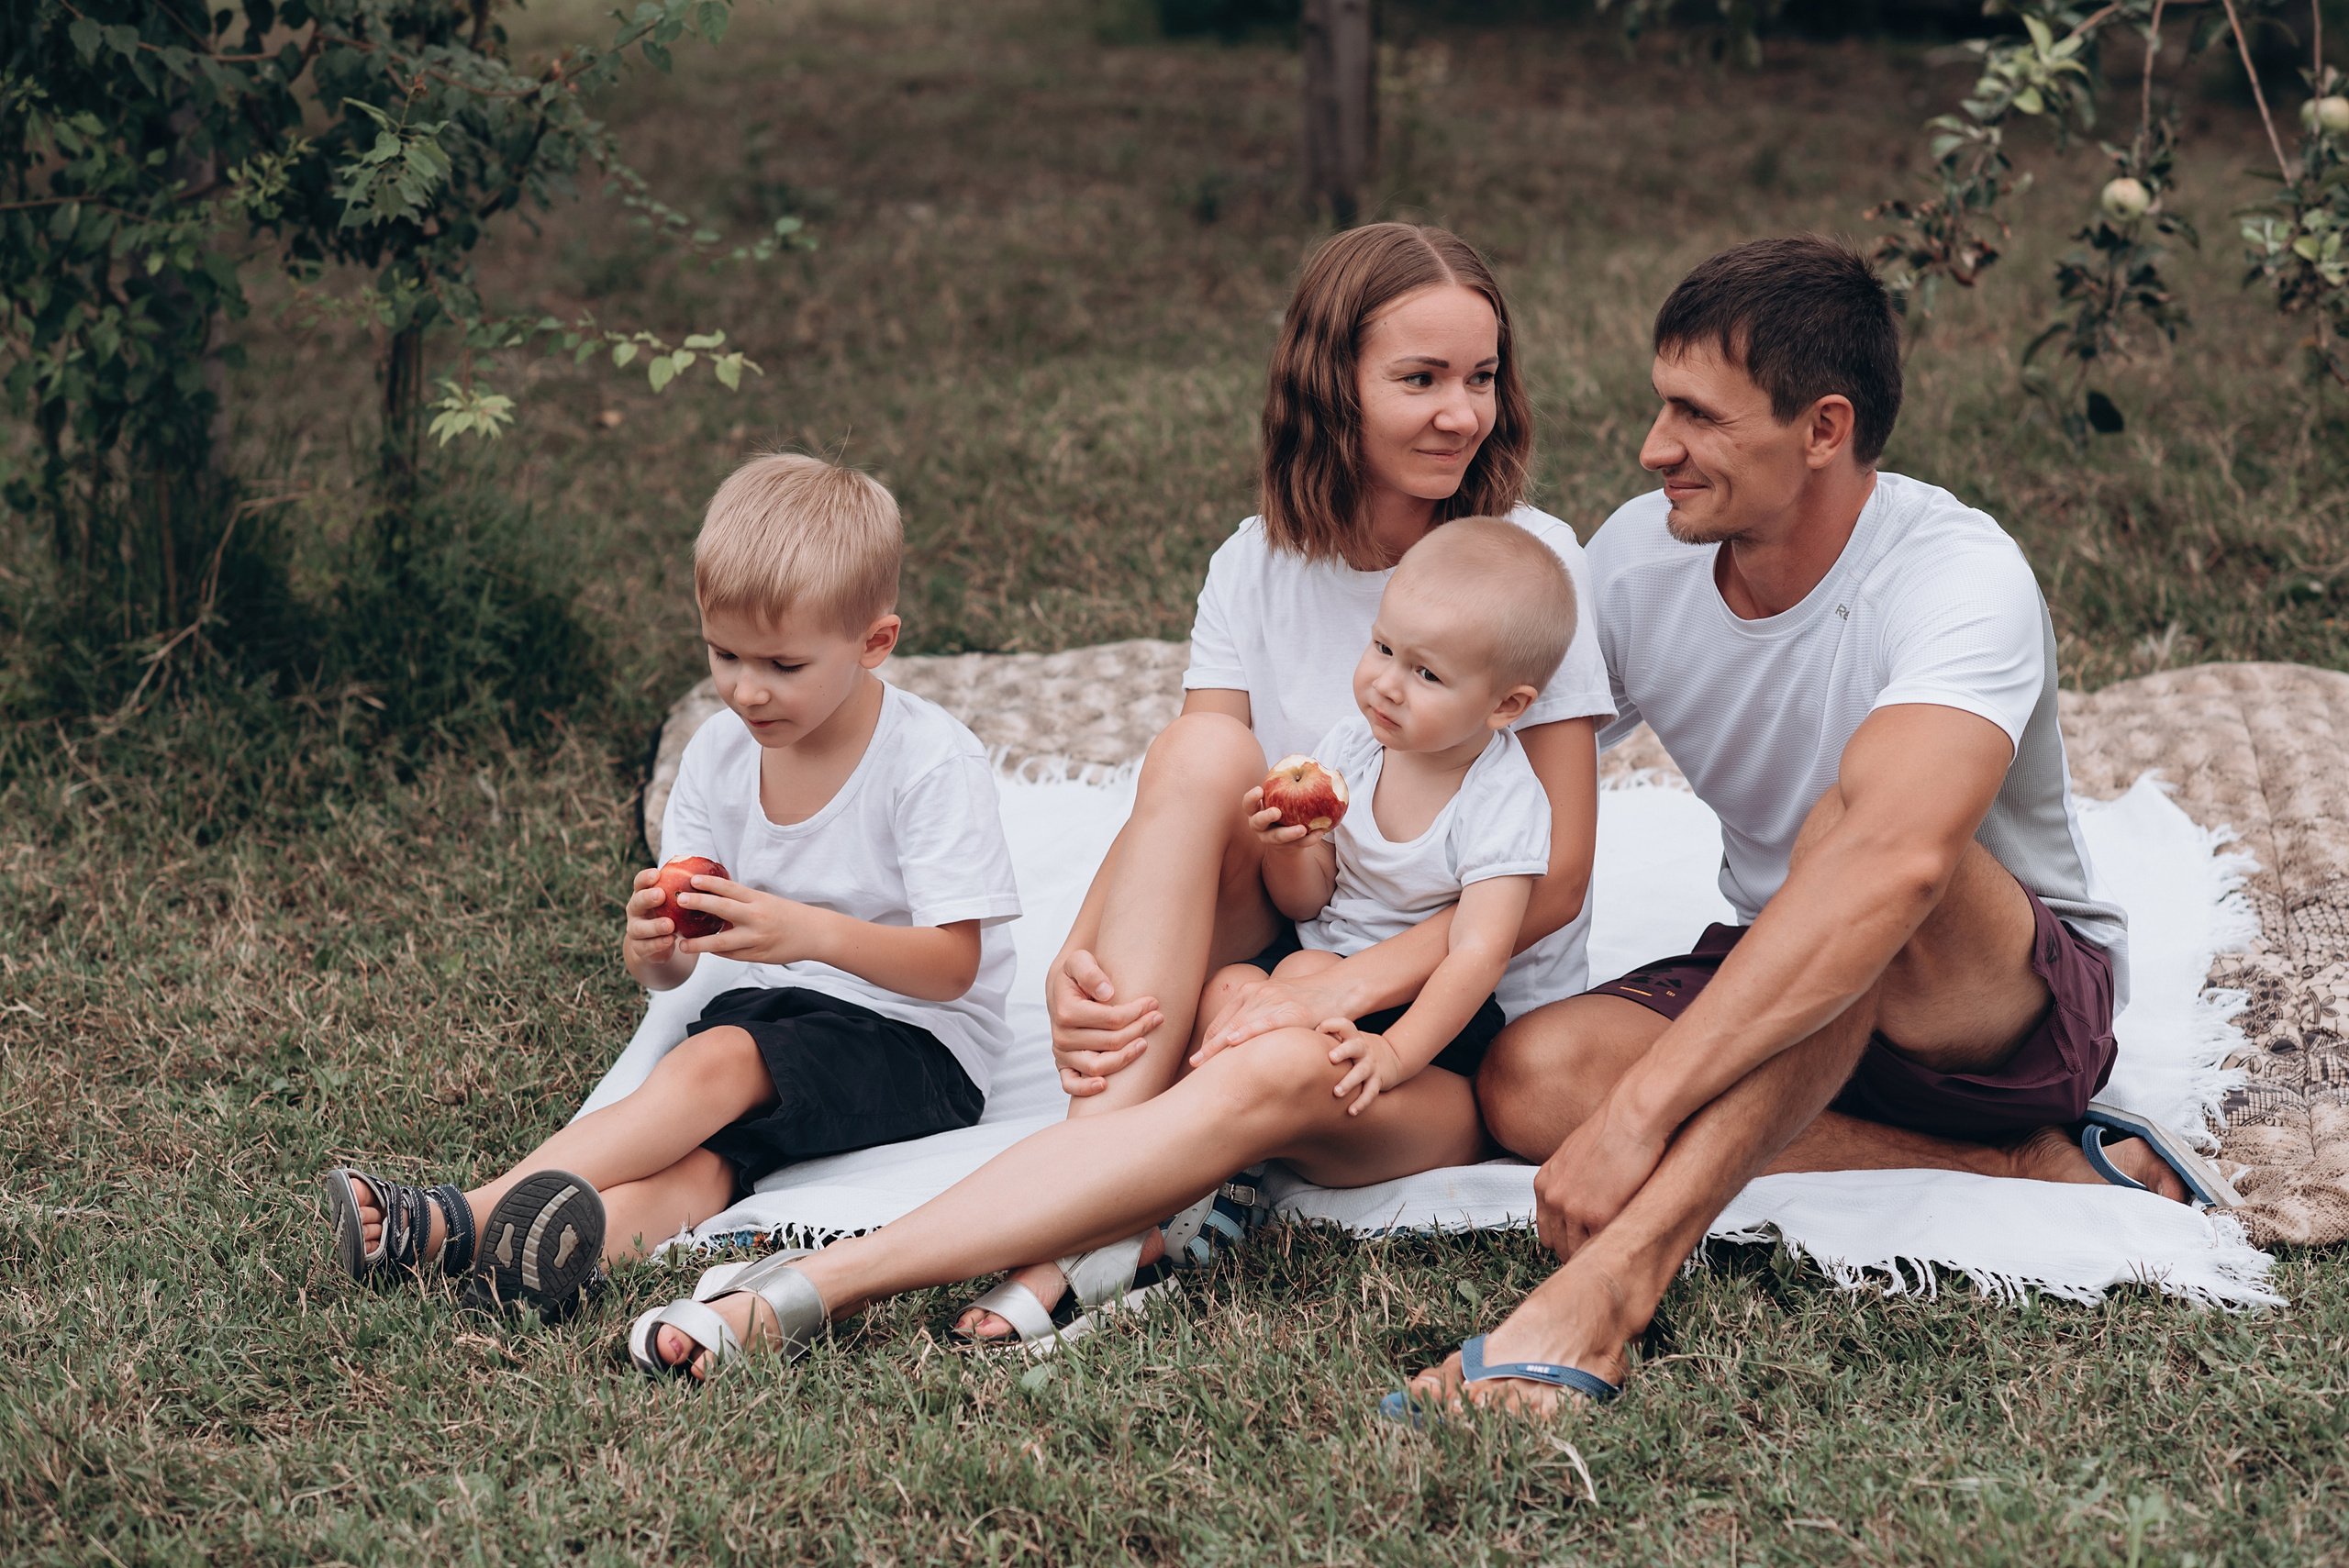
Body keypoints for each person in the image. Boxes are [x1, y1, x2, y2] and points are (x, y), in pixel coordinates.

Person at [627, 222, 1618, 1374]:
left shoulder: (1528, 566)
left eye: (1481, 377)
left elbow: (1555, 880)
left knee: (1267, 1055)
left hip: (1439, 1035)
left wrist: (1340, 986)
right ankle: (1109, 1174)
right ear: (1328, 387)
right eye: (1420, 378)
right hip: (1290, 951)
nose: (1462, 411)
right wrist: (1078, 952)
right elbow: (1186, 797)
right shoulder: (1256, 562)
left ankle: (827, 1286)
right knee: (1203, 747)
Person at [1396, 235, 2240, 1418]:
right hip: (1798, 969)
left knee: (1856, 833)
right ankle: (2014, 1166)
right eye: (1660, 405)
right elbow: (1499, 757)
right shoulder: (1639, 561)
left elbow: (1896, 865)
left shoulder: (1956, 574)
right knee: (1533, 1080)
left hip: (1997, 1003)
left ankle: (1612, 1293)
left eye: (1696, 416)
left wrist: (1643, 1113)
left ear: (1823, 429)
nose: (1652, 450)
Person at [321, 453, 1022, 1320]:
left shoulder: (926, 761)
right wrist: (655, 953)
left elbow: (956, 966)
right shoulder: (720, 754)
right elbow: (678, 970)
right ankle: (544, 1265)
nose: (746, 688)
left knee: (715, 1063)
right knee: (706, 1162)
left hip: (922, 1045)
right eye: (723, 653)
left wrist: (805, 933)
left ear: (875, 642)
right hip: (789, 1021)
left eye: (783, 664)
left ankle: (459, 1215)